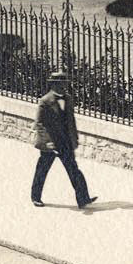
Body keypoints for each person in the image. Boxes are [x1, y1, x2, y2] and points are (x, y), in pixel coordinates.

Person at [31, 70, 92, 210]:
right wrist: (47, 141)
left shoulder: (68, 99)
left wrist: (74, 139)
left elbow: (71, 121)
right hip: (51, 143)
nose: (63, 87)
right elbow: (39, 123)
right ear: (53, 85)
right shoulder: (45, 101)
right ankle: (35, 197)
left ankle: (83, 198)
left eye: (64, 83)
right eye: (59, 84)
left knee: (73, 170)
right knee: (42, 170)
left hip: (65, 143)